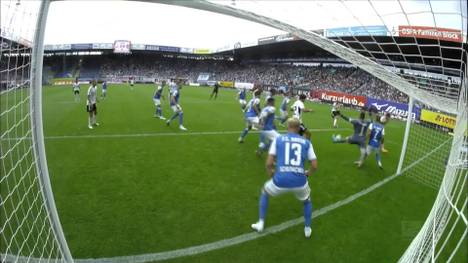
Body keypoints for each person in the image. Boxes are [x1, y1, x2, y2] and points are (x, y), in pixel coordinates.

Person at [251, 117, 317, 238]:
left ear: (287, 127)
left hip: (280, 181)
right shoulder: (307, 142)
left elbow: (269, 163)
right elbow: (314, 165)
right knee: (307, 201)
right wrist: (308, 173)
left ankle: (260, 223)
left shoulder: (278, 139)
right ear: (298, 128)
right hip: (300, 182)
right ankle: (307, 228)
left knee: (265, 192)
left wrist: (271, 173)